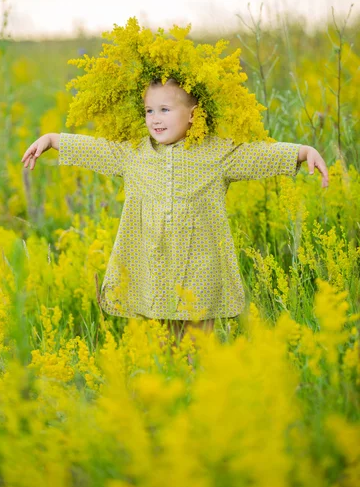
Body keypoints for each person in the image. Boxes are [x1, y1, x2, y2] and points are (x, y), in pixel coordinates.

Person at [21, 78, 329, 347]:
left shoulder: (216, 153)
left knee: (196, 349)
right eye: (149, 111)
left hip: (200, 271)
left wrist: (303, 152)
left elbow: (259, 155)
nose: (155, 119)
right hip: (150, 270)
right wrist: (52, 140)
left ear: (194, 114)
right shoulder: (133, 154)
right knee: (161, 349)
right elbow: (96, 148)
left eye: (165, 110)